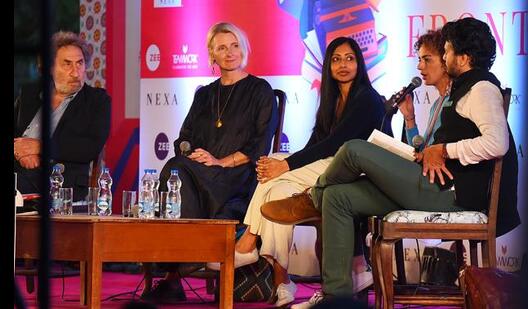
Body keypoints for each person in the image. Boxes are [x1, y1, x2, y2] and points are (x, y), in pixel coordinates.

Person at [266, 17, 520, 308]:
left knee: (353, 150)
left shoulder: (481, 89)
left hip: (452, 195)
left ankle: (312, 195)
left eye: (445, 51)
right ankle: (336, 298)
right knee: (337, 197)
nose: (443, 57)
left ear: (463, 58)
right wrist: (420, 134)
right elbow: (431, 150)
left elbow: (496, 143)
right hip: (432, 184)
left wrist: (445, 150)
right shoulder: (461, 91)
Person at [217, 36, 391, 307]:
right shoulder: (331, 101)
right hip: (330, 170)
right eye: (336, 59)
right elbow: (316, 144)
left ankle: (249, 241)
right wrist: (284, 164)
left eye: (349, 58)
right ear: (328, 67)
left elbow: (335, 145)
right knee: (276, 189)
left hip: (358, 176)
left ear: (359, 63)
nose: (343, 65)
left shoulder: (367, 99)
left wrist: (286, 166)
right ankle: (283, 279)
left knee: (279, 168)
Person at [142, 22, 278, 303]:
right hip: (201, 173)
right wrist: (194, 153)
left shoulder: (260, 90)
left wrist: (220, 161)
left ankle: (175, 271)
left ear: (244, 49)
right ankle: (181, 264)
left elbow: (259, 146)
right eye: (221, 48)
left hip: (239, 176)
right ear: (211, 55)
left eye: (235, 45)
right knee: (177, 167)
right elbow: (184, 138)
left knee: (176, 171)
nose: (229, 53)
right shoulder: (204, 94)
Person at [14, 31, 111, 203]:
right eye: (67, 64)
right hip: (19, 171)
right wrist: (22, 154)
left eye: (80, 63)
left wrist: (39, 147)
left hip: (59, 181)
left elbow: (89, 147)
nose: (75, 72)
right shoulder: (30, 94)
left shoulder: (97, 101)